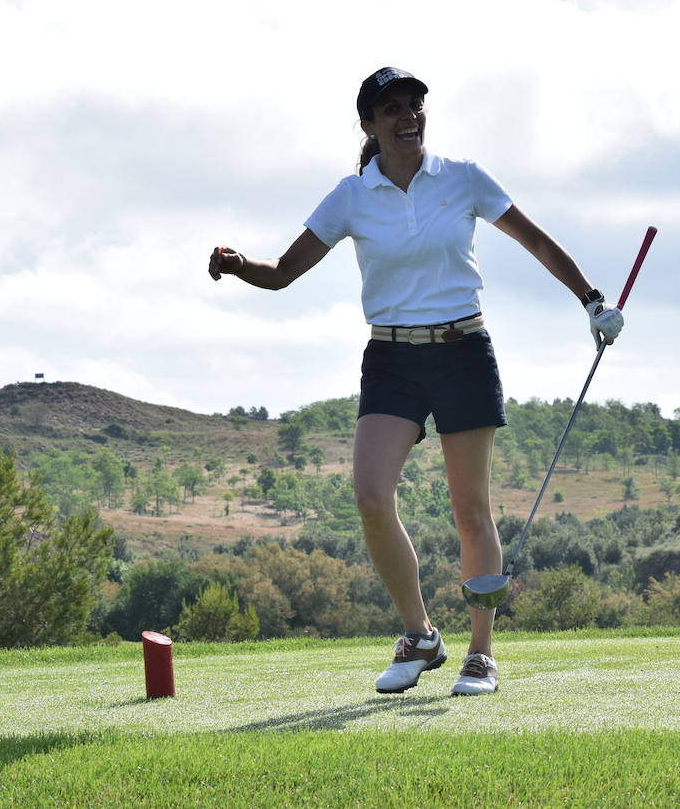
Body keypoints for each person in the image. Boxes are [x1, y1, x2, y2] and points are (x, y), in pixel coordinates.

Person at [208, 67, 624, 696]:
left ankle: (480, 655)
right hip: (392, 359)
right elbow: (284, 272)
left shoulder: (463, 178)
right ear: (370, 125)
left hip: (463, 351)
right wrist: (240, 267)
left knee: (469, 508)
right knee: (371, 497)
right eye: (393, 109)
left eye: (416, 106)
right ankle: (421, 635)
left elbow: (535, 240)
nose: (409, 117)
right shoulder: (351, 196)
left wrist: (592, 301)